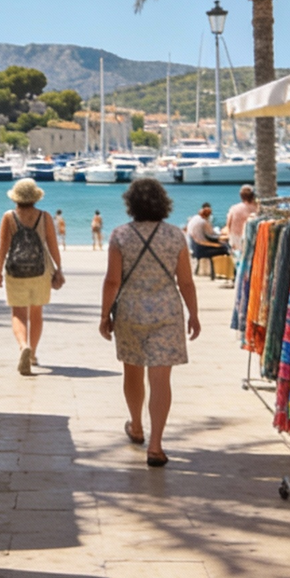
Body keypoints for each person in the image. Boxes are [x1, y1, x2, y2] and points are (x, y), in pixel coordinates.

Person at [99, 177, 201, 467]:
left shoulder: (120, 235)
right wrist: (193, 314)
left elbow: (112, 281)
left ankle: (136, 425)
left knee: (132, 373)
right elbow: (186, 282)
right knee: (161, 381)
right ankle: (155, 446)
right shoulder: (174, 236)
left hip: (130, 311)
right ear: (163, 203)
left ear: (131, 204)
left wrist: (104, 314)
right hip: (167, 312)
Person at [0, 178, 64, 375]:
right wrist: (59, 269)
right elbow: (52, 246)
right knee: (36, 313)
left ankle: (23, 345)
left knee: (18, 313)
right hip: (40, 271)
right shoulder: (44, 216)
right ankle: (32, 353)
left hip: (15, 270)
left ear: (15, 198)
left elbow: (3, 248)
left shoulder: (9, 217)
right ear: (35, 198)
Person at [185, 204, 230, 269]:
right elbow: (212, 235)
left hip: (193, 247)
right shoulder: (204, 222)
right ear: (208, 215)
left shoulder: (194, 218)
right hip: (200, 250)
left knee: (221, 245)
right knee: (225, 248)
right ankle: (226, 270)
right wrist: (222, 238)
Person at [225, 185, 258, 251]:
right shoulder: (257, 208)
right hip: (252, 241)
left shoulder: (234, 208)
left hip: (236, 241)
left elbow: (228, 225)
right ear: (253, 195)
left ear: (241, 196)